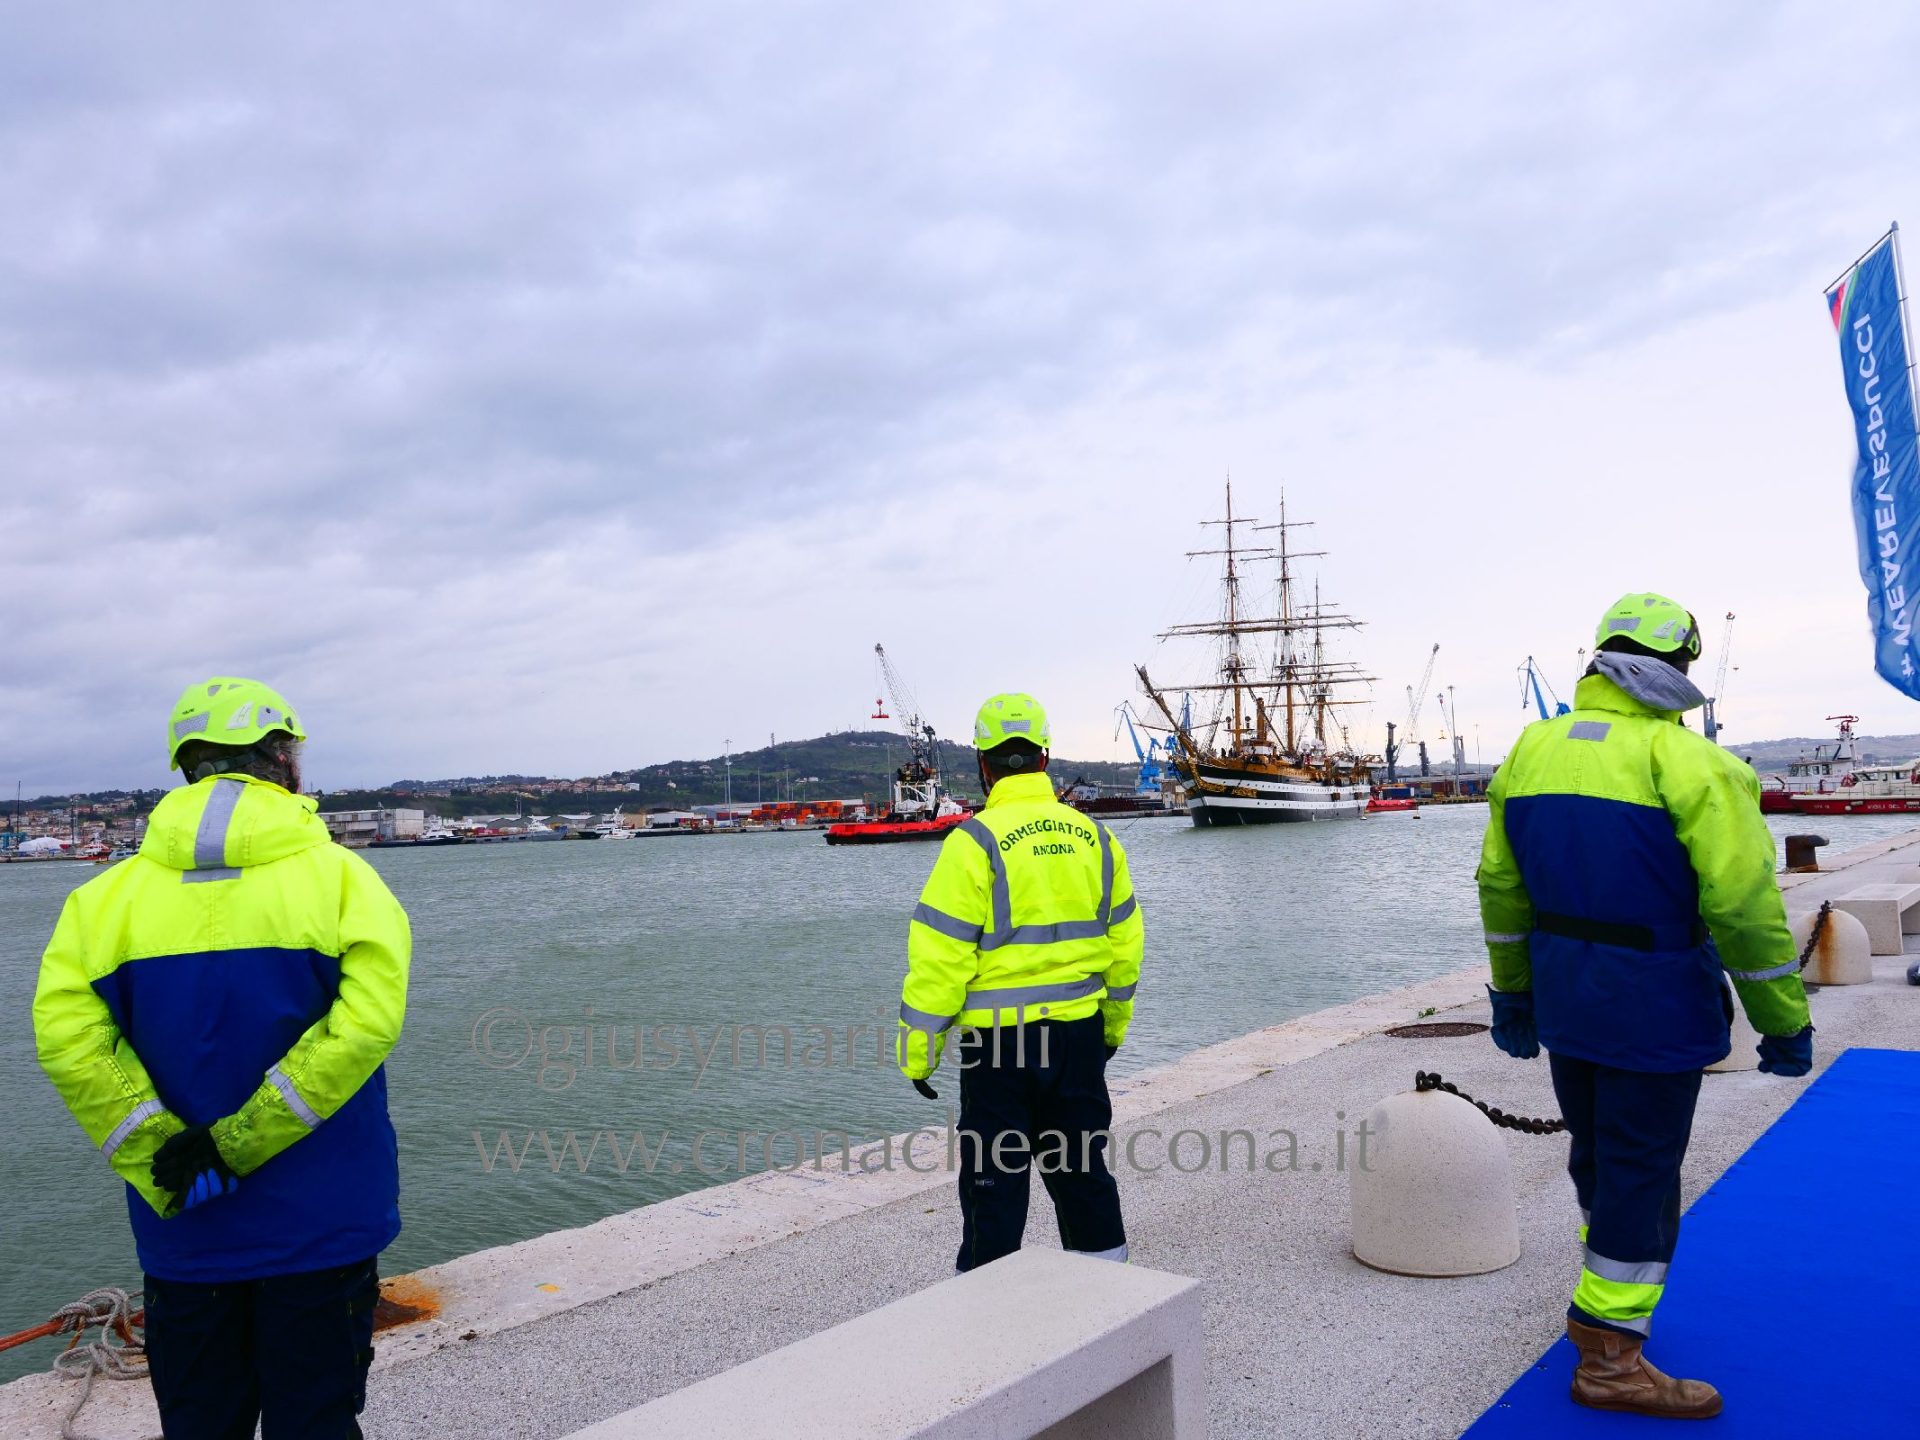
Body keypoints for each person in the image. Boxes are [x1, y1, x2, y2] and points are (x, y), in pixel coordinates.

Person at [33, 678, 411, 1440]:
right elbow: (366, 1025)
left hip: (187, 1239)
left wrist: (167, 1152)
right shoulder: (346, 883)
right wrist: (239, 1140)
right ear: (284, 761)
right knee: (317, 1423)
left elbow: (67, 1042)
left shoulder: (100, 904)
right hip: (323, 1232)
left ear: (187, 767)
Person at [1477, 594, 1813, 1419]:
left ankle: (1605, 1308)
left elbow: (1500, 887)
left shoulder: (1531, 749)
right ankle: (1609, 1358)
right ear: (1680, 669)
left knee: (1598, 1157)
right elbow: (1744, 910)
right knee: (1641, 1170)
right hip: (1654, 1001)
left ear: (1600, 658)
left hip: (1566, 998)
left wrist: (1511, 993)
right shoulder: (1694, 763)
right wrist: (1782, 1020)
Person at [896, 693, 1144, 1273]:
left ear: (983, 764)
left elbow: (940, 959)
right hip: (1078, 1039)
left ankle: (989, 1316)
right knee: (1083, 1176)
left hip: (998, 1049)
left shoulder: (973, 842)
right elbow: (1125, 950)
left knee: (994, 1189)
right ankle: (1112, 1302)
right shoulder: (1095, 839)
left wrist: (919, 1055)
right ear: (1044, 758)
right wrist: (1110, 1031)